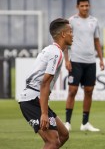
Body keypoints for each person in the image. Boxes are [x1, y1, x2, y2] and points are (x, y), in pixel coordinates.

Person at [19, 18, 73, 148]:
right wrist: (44, 113)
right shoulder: (56, 53)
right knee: (53, 141)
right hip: (33, 100)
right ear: (63, 34)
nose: (73, 35)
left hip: (35, 98)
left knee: (64, 134)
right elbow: (45, 83)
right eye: (70, 31)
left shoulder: (51, 49)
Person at [64, 0, 105, 132]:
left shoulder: (94, 21)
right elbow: (65, 41)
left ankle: (85, 123)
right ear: (77, 7)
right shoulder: (72, 21)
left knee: (89, 91)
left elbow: (97, 41)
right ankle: (67, 122)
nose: (85, 8)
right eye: (82, 6)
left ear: (89, 6)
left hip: (90, 61)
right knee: (72, 90)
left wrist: (101, 59)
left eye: (87, 5)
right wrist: (66, 59)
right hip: (75, 60)